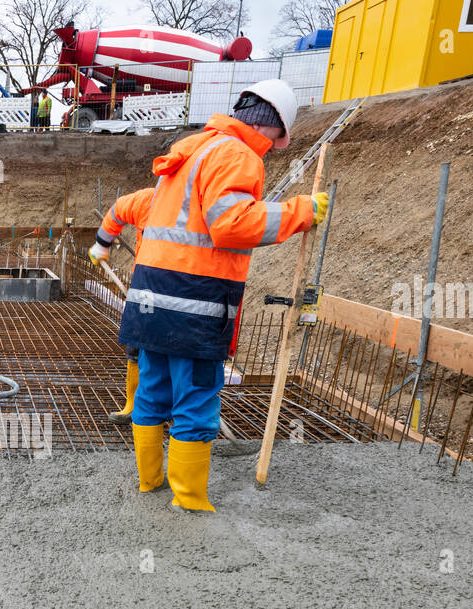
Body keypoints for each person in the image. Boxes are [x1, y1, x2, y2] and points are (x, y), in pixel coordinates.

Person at [90, 79, 328, 514]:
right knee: (196, 398)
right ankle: (191, 501)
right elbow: (232, 225)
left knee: (153, 392)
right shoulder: (238, 155)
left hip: (149, 301)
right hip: (195, 305)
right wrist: (302, 212)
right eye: (278, 142)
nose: (273, 151)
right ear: (274, 129)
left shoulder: (192, 148)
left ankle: (150, 483)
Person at [90, 186, 154, 424]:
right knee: (137, 344)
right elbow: (117, 212)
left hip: (181, 287)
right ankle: (133, 405)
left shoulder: (198, 203)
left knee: (169, 349)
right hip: (146, 285)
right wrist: (102, 243)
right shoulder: (147, 199)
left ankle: (164, 407)